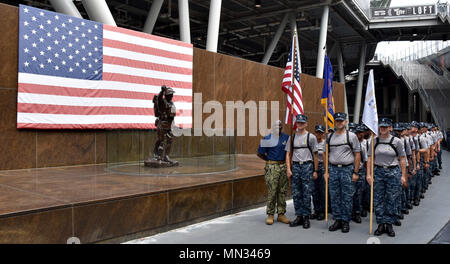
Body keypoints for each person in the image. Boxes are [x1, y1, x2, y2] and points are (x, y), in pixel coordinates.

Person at [367, 118, 407, 237]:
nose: (383, 128)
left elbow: (402, 158)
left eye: (385, 126)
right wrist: (368, 174)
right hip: (378, 171)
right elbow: (369, 158)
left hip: (393, 172)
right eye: (381, 126)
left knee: (392, 198)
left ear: (390, 127)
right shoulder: (374, 141)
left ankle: (389, 224)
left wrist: (403, 175)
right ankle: (380, 223)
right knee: (378, 199)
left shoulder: (397, 141)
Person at [324, 112, 361, 233]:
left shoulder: (351, 136)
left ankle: (345, 221)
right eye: (337, 121)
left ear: (345, 122)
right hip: (333, 169)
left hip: (347, 169)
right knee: (334, 196)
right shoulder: (329, 137)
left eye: (341, 121)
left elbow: (357, 154)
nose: (339, 123)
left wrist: (355, 172)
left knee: (346, 196)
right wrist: (326, 171)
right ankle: (337, 219)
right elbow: (325, 153)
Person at [286, 114, 319, 229]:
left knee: (306, 192)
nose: (299, 124)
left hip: (307, 166)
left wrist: (315, 170)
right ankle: (299, 215)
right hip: (295, 167)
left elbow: (315, 155)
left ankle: (306, 217)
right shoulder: (292, 137)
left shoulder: (311, 137)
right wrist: (288, 168)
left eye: (302, 123)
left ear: (306, 124)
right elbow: (288, 154)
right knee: (296, 193)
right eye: (298, 122)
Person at [257, 120, 291, 225]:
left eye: (280, 125)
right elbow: (259, 153)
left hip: (283, 166)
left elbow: (288, 153)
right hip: (272, 167)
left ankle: (281, 214)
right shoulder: (267, 138)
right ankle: (270, 214)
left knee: (282, 191)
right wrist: (269, 160)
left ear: (282, 127)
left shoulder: (287, 138)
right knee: (272, 191)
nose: (278, 127)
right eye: (276, 126)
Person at [352, 125, 367, 224]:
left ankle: (358, 211)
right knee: (350, 193)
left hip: (360, 171)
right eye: (357, 133)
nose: (359, 135)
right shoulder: (351, 143)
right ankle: (351, 211)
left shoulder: (364, 145)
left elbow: (365, 160)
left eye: (361, 133)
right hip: (349, 170)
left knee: (359, 192)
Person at [311, 125, 326, 221]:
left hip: (322, 167)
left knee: (322, 190)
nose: (318, 134)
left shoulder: (325, 143)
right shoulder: (312, 142)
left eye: (320, 132)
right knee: (314, 190)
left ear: (323, 133)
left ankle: (322, 211)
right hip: (313, 167)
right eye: (317, 132)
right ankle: (316, 210)